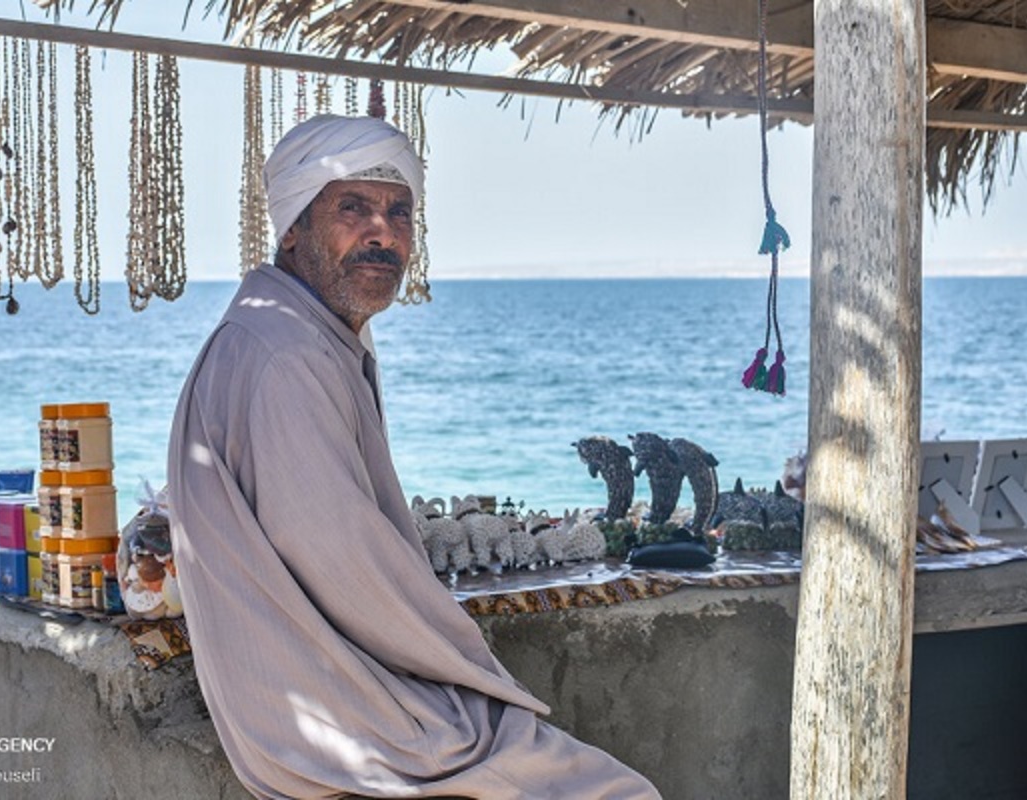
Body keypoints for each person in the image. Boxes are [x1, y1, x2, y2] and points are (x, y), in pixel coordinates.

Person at [168, 114, 661, 800]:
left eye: (400, 213)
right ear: (291, 227)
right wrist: (474, 666)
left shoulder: (291, 333)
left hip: (324, 704)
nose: (383, 232)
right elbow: (347, 564)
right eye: (354, 209)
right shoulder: (287, 355)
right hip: (343, 725)